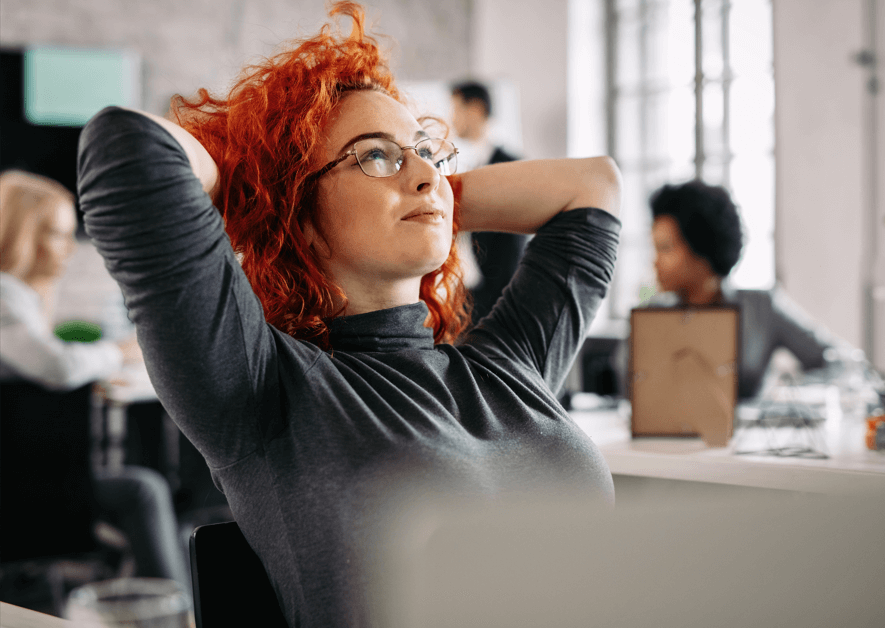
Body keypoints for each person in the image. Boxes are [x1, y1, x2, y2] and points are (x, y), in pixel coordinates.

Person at [75, 3, 621, 626]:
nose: (425, 173)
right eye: (375, 156)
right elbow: (125, 144)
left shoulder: (505, 365)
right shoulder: (264, 391)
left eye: (425, 150)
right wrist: (264, 192)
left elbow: (594, 186)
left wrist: (431, 196)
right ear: (300, 222)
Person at [0, 169, 190, 591]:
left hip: (28, 476)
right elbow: (58, 368)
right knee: (144, 489)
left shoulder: (21, 299)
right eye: (56, 234)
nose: (69, 249)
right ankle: (175, 609)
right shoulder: (4, 297)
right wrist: (119, 350)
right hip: (23, 488)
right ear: (20, 234)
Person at [646, 179, 833, 398]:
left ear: (701, 247)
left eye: (665, 248)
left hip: (750, 431)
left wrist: (789, 392)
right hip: (664, 431)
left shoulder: (761, 308)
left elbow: (835, 360)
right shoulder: (650, 316)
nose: (655, 262)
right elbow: (629, 385)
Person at [450, 80, 529, 325]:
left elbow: (511, 244)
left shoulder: (509, 165)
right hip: (471, 296)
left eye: (456, 110)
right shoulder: (471, 163)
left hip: (497, 302)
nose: (452, 120)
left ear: (474, 109)